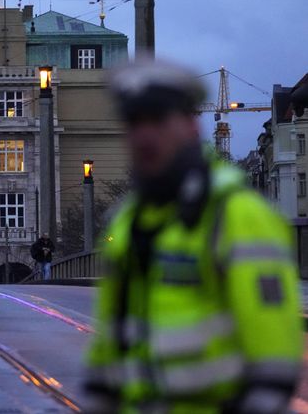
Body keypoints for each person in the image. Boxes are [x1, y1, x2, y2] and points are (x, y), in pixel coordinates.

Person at [83, 60, 303, 413]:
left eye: (158, 120)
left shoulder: (238, 216)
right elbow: (109, 348)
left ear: (190, 125)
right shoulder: (127, 222)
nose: (144, 136)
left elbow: (274, 363)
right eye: (135, 123)